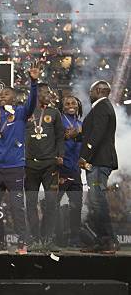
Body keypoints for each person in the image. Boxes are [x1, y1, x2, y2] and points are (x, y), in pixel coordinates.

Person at [0, 64, 41, 254]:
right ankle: (0, 242)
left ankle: (23, 242)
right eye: (1, 95)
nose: (2, 96)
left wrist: (33, 82)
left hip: (15, 168)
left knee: (17, 207)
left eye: (6, 94)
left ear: (14, 98)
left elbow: (32, 102)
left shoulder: (22, 113)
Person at [79, 80, 118, 254]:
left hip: (99, 162)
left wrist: (84, 156)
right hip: (97, 162)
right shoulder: (103, 107)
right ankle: (101, 241)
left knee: (98, 200)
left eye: (91, 91)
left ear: (99, 90)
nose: (89, 94)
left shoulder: (102, 107)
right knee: (95, 202)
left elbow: (96, 135)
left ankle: (109, 241)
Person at [24, 83, 64, 251]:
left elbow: (60, 136)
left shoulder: (54, 113)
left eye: (49, 91)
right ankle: (34, 240)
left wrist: (60, 155)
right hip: (29, 165)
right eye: (45, 92)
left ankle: (48, 239)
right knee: (31, 204)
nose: (49, 94)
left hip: (50, 165)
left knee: (51, 202)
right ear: (36, 93)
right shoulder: (25, 112)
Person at [58, 96, 83, 247]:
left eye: (73, 103)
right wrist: (65, 135)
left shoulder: (81, 124)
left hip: (76, 171)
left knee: (76, 206)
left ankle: (75, 239)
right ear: (63, 107)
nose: (70, 106)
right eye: (67, 104)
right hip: (61, 170)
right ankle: (56, 238)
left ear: (78, 106)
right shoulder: (58, 121)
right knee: (53, 205)